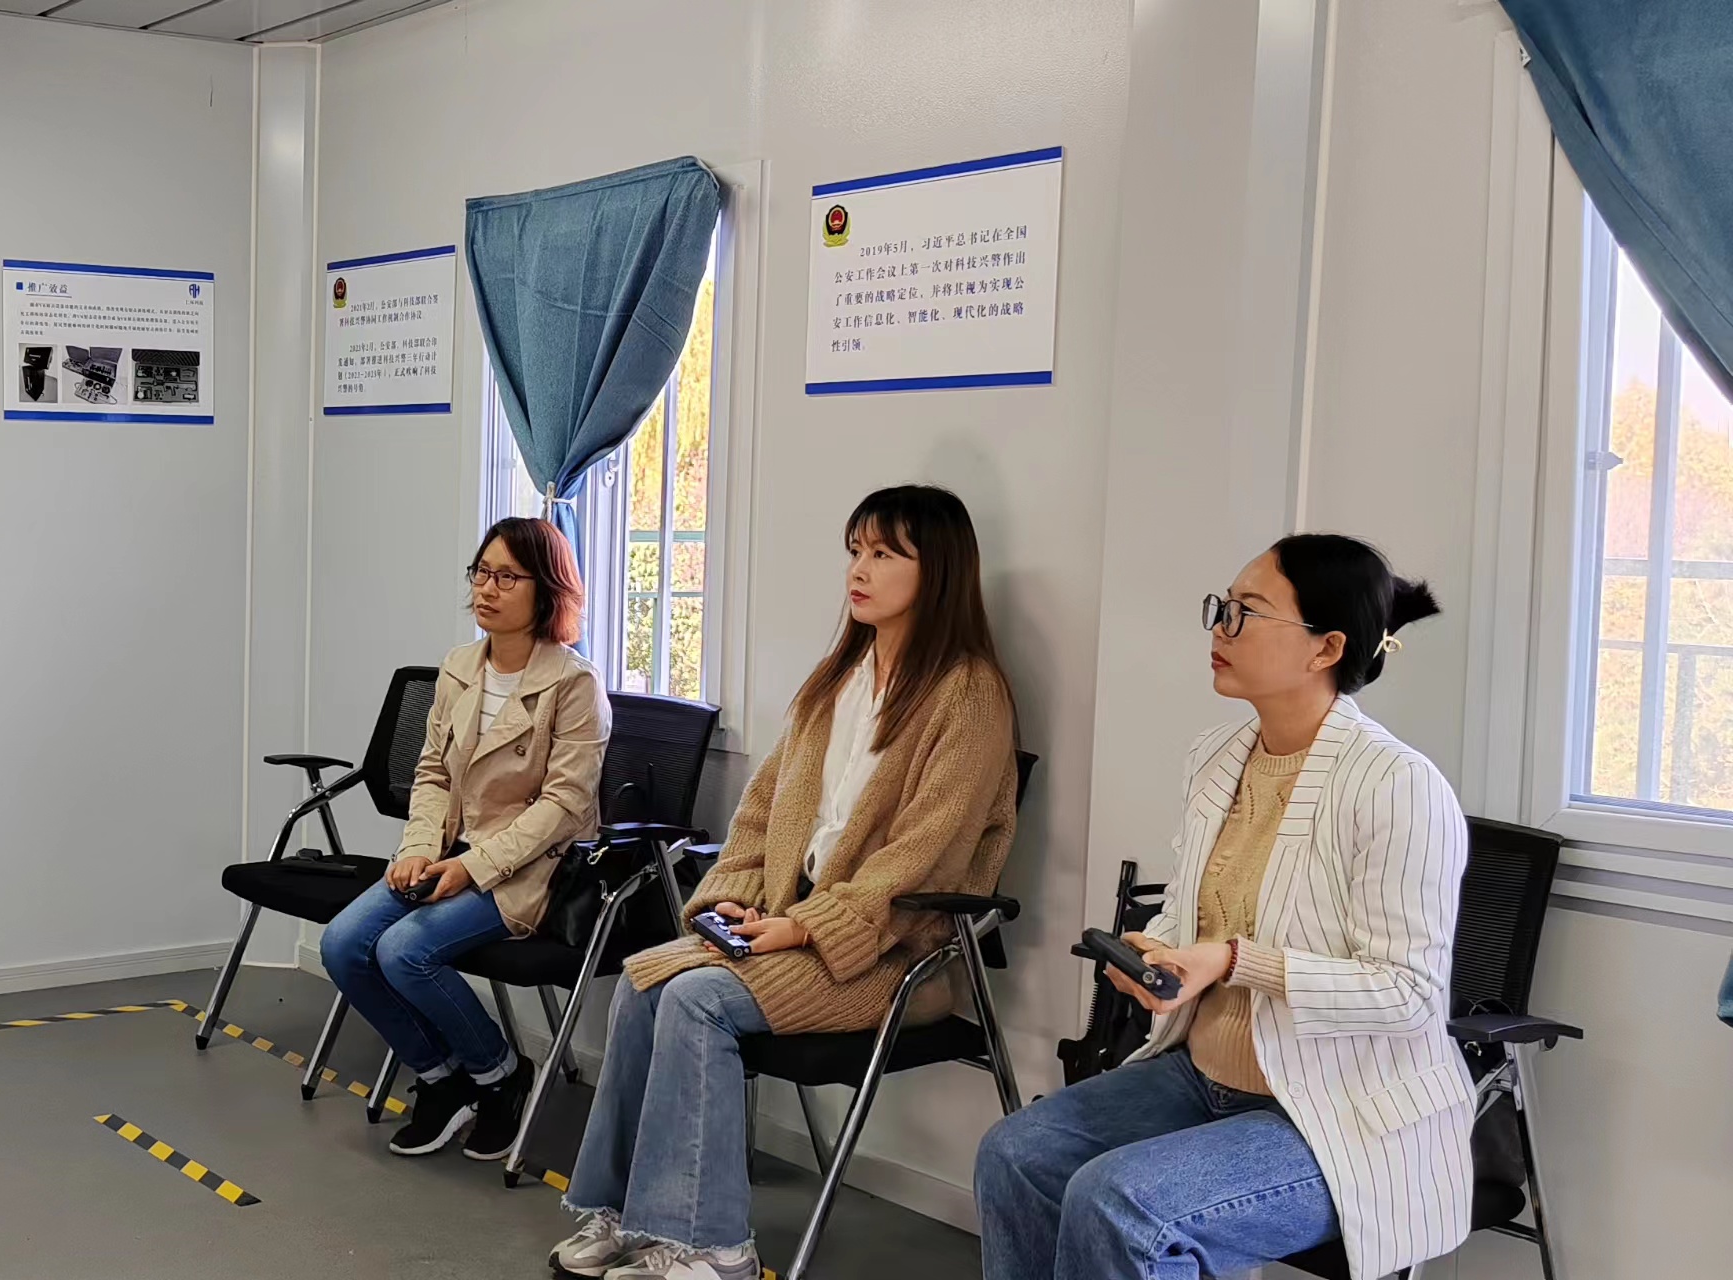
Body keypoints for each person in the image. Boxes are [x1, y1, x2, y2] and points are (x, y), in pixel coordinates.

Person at [550, 485, 1019, 1280]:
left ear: (937, 570)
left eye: (884, 554)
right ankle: (625, 1214)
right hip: (788, 930)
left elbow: (927, 854)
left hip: (892, 955)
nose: (858, 570)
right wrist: (731, 894)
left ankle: (715, 1247)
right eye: (856, 551)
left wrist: (807, 925)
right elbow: (765, 808)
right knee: (641, 980)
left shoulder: (969, 692)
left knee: (695, 1000)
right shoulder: (840, 679)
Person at [974, 534, 1467, 1280]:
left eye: (1246, 613)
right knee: (1017, 1153)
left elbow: (1410, 993)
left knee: (1118, 1202)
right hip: (1202, 1077)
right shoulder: (1216, 756)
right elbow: (1194, 910)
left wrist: (1235, 962)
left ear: (1326, 647)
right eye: (1222, 607)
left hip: (1338, 1115)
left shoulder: (1398, 785)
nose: (1220, 628)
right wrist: (1160, 953)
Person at [321, 516, 612, 1159]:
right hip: (447, 851)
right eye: (481, 571)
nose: (486, 588)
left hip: (527, 868)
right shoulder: (458, 668)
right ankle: (441, 1076)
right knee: (342, 945)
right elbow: (432, 774)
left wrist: (472, 868)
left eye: (507, 576)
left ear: (547, 589)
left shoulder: (575, 684)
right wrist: (417, 849)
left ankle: (500, 1075)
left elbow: (565, 805)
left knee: (404, 951)